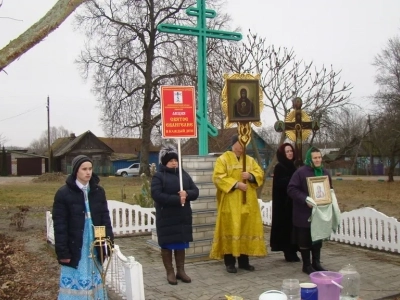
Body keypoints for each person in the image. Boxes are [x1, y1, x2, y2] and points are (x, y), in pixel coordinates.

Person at [52, 155, 114, 299]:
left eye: (90, 169)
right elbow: (60, 225)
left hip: (94, 240)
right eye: (84, 169)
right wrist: (63, 252)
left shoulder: (98, 191)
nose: (88, 172)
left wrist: (107, 242)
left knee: (95, 273)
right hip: (76, 242)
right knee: (77, 275)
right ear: (76, 171)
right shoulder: (63, 193)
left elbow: (105, 217)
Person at [210, 135, 267, 273]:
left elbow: (260, 173)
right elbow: (218, 177)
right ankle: (229, 263)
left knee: (245, 229)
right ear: (233, 144)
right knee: (230, 229)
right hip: (230, 202)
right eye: (239, 145)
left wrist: (251, 176)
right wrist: (236, 184)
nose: (241, 148)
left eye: (243, 145)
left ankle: (244, 262)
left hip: (248, 202)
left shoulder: (250, 160)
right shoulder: (223, 159)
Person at [151, 144, 199, 285]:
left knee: (180, 244)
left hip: (182, 216)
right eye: (171, 160)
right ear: (165, 162)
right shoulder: (158, 176)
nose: (174, 162)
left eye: (175, 160)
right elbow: (156, 194)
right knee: (167, 245)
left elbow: (195, 191)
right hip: (166, 216)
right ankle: (170, 272)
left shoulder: (183, 174)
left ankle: (181, 271)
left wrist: (187, 194)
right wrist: (177, 199)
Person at [287, 147, 332, 274]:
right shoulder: (300, 173)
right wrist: (305, 199)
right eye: (315, 158)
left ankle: (316, 263)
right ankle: (306, 265)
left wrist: (329, 198)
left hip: (319, 213)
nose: (318, 160)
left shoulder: (325, 172)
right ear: (309, 159)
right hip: (304, 212)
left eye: (319, 157)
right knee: (305, 239)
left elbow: (329, 189)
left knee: (318, 238)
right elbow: (291, 189)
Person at [270, 143, 300, 262]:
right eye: (287, 151)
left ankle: (294, 249)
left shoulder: (295, 166)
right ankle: (288, 251)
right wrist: (293, 179)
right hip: (284, 204)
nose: (290, 153)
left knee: (294, 228)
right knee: (286, 228)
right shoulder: (280, 167)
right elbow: (279, 184)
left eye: (291, 151)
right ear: (283, 154)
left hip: (294, 203)